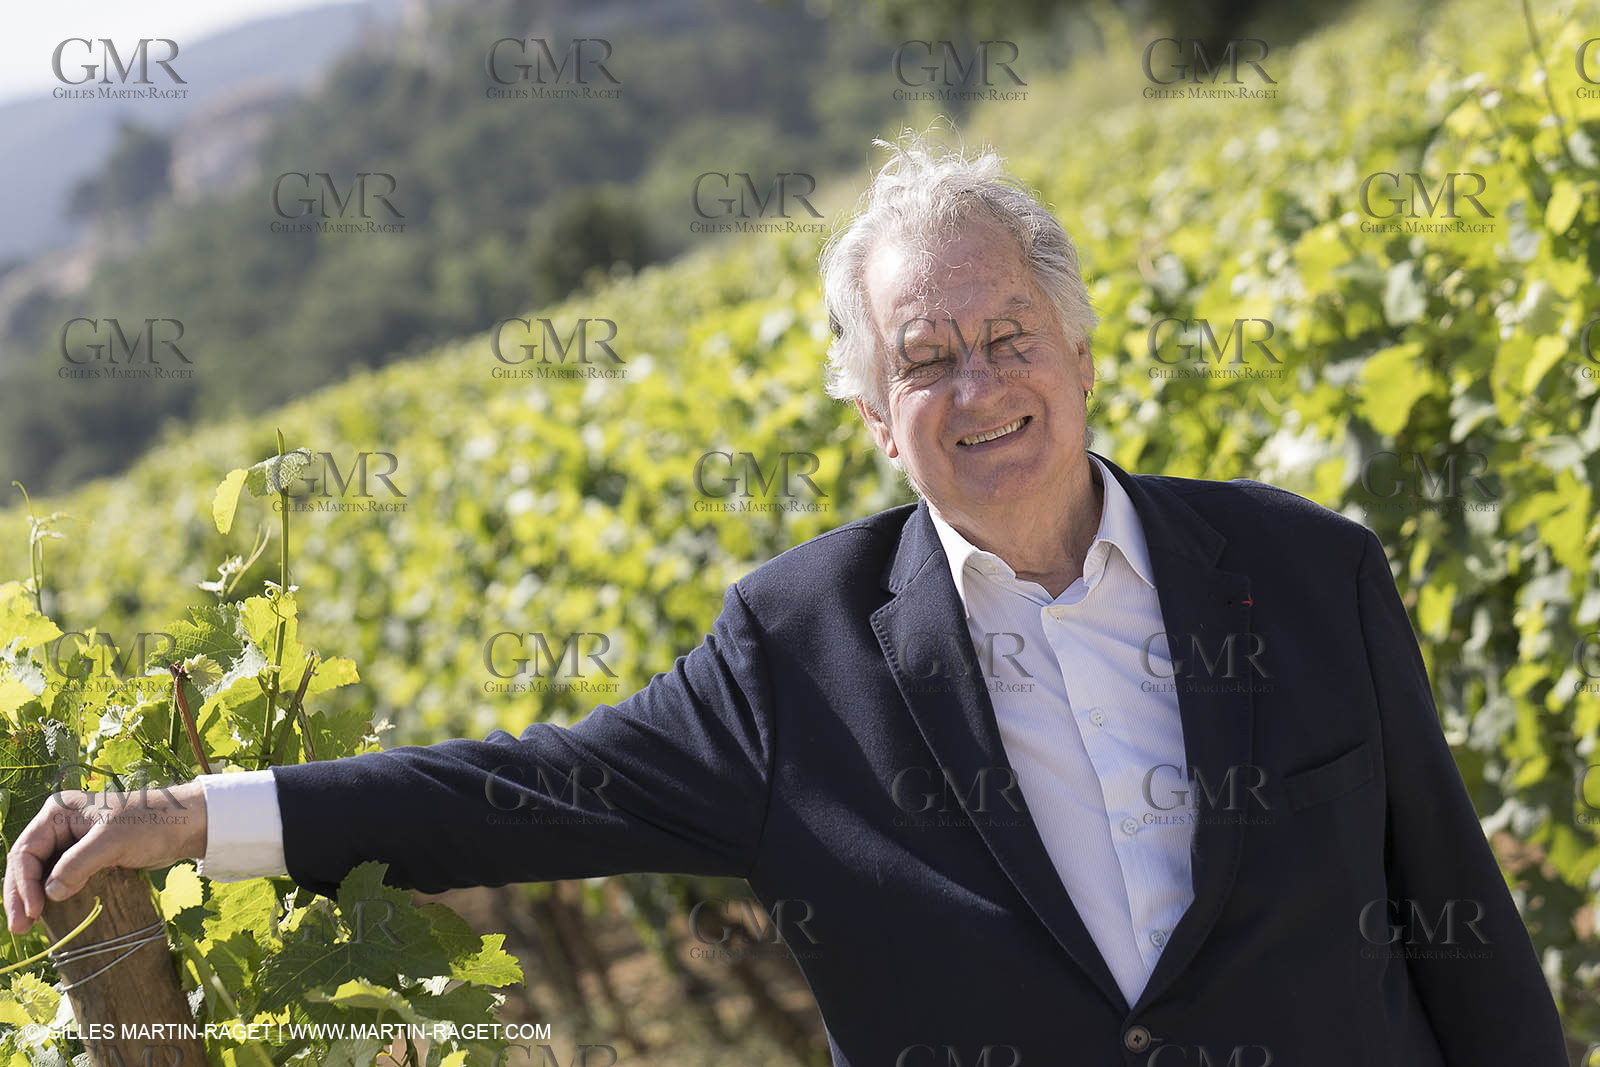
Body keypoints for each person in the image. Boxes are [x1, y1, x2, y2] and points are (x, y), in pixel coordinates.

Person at [4, 133, 1569, 1066]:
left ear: (1082, 352)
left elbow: (1469, 940)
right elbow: (522, 791)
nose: (980, 386)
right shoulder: (798, 654)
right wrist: (190, 817)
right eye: (926, 360)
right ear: (876, 419)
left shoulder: (1305, 572)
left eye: (1009, 337)